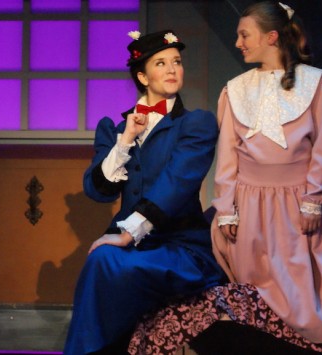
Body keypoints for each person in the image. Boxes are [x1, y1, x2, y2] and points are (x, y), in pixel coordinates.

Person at [64, 30, 226, 355]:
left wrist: (127, 233)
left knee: (107, 261)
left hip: (177, 245)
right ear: (142, 75)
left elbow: (178, 182)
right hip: (130, 248)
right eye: (161, 63)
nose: (172, 69)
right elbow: (98, 192)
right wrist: (125, 141)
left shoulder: (196, 124)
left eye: (177, 62)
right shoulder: (114, 127)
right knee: (102, 261)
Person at [211, 1, 322, 344]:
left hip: (295, 206)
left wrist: (312, 200)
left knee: (301, 291)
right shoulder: (235, 90)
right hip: (249, 205)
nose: (238, 43)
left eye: (244, 35)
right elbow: (227, 158)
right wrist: (226, 208)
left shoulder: (318, 86)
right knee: (254, 293)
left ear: (272, 37)